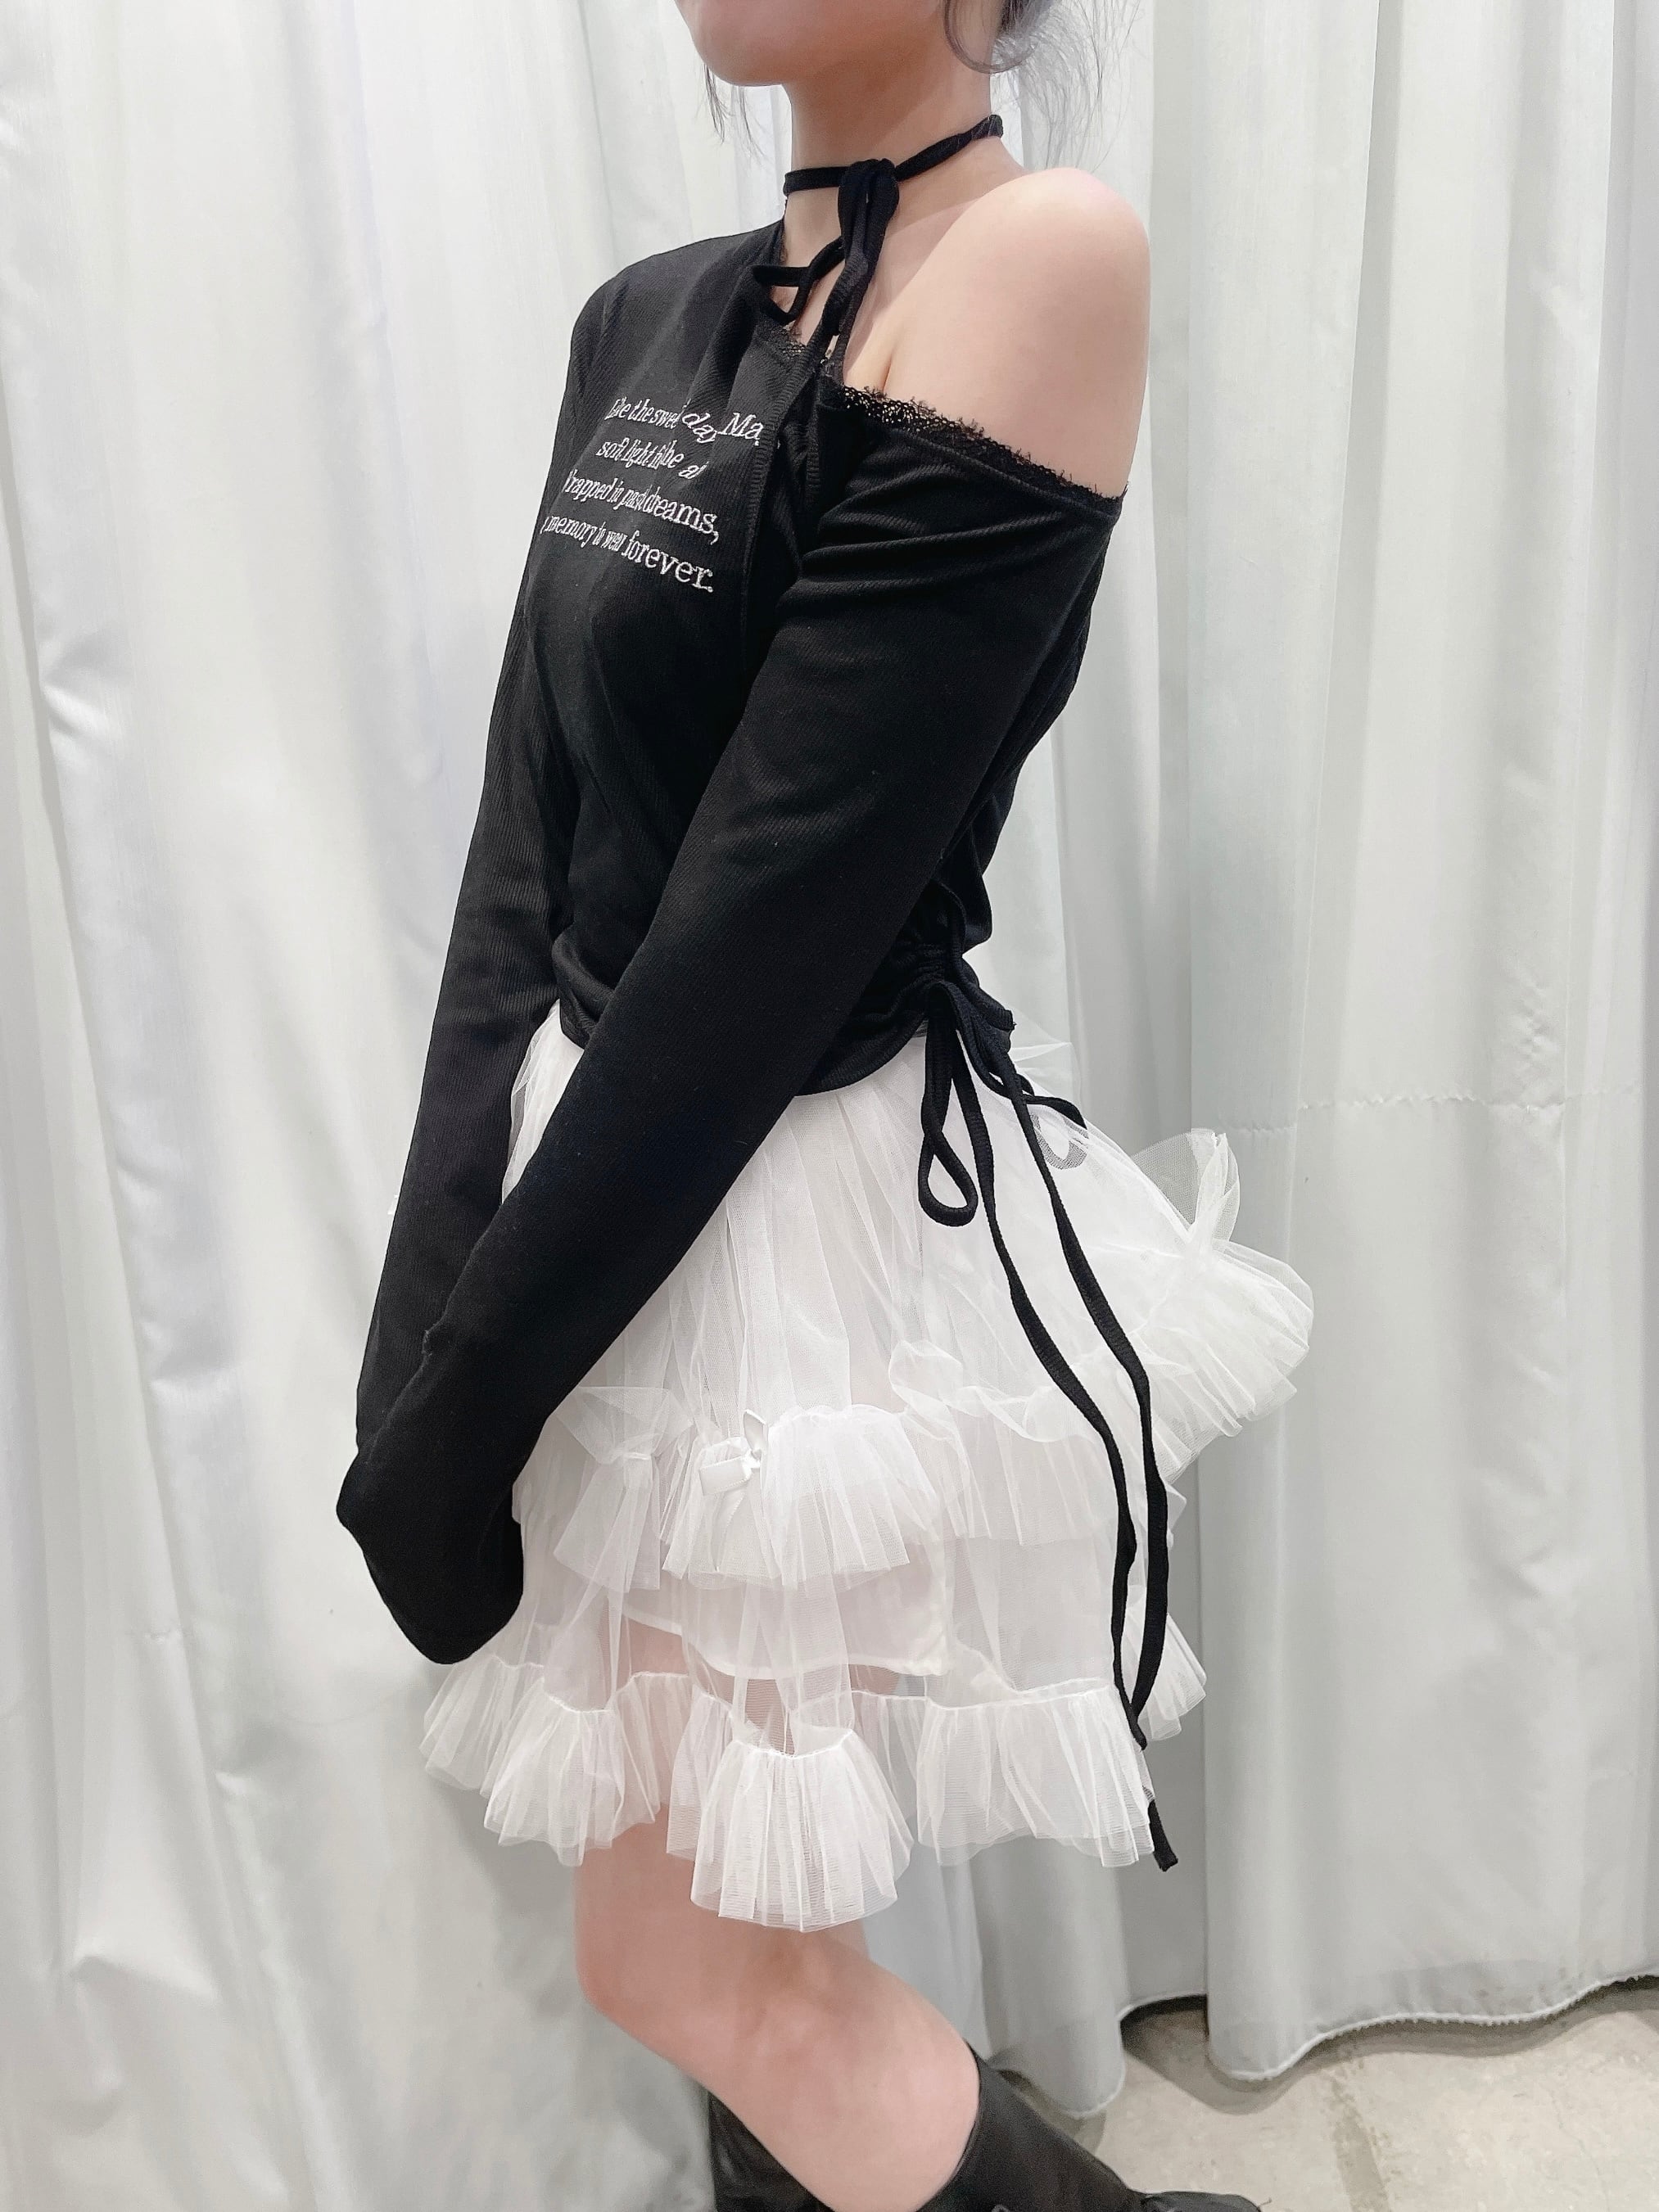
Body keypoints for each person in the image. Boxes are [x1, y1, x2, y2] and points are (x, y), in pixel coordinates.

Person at [337, 2, 1313, 2207]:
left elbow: (766, 926)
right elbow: (525, 860)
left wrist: (485, 1386)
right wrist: (430, 1310)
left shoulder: (1035, 256)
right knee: (752, 1938)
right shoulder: (642, 322)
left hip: (770, 1214)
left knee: (695, 1965)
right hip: (607, 1191)